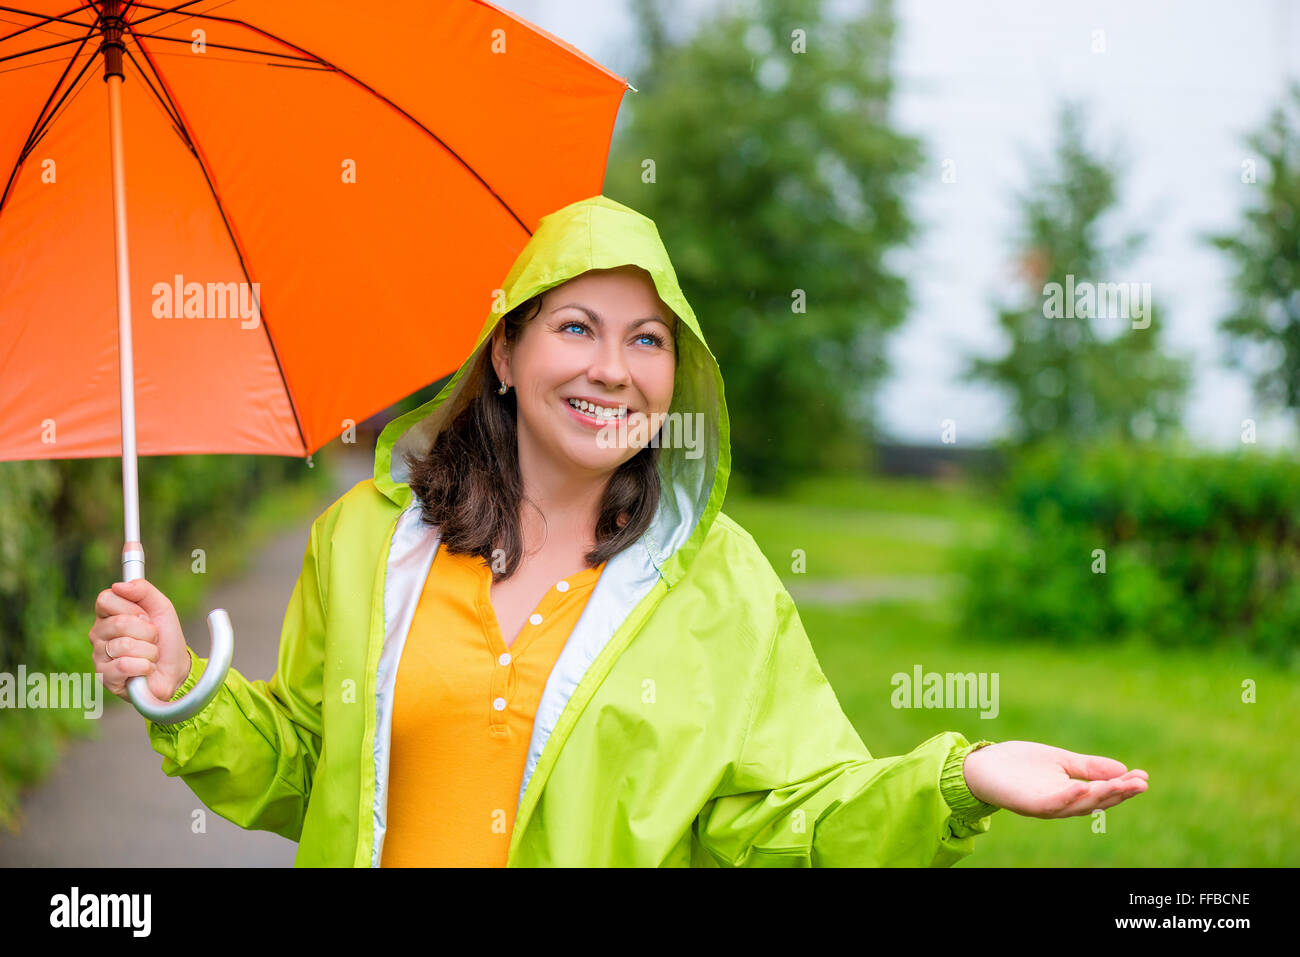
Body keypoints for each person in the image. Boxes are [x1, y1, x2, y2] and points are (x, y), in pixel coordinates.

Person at [88, 194, 1148, 867]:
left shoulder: (717, 580)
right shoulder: (366, 542)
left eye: (648, 338)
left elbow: (778, 824)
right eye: (576, 327)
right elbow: (313, 781)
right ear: (503, 355)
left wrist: (956, 780)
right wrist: (189, 690)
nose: (612, 367)